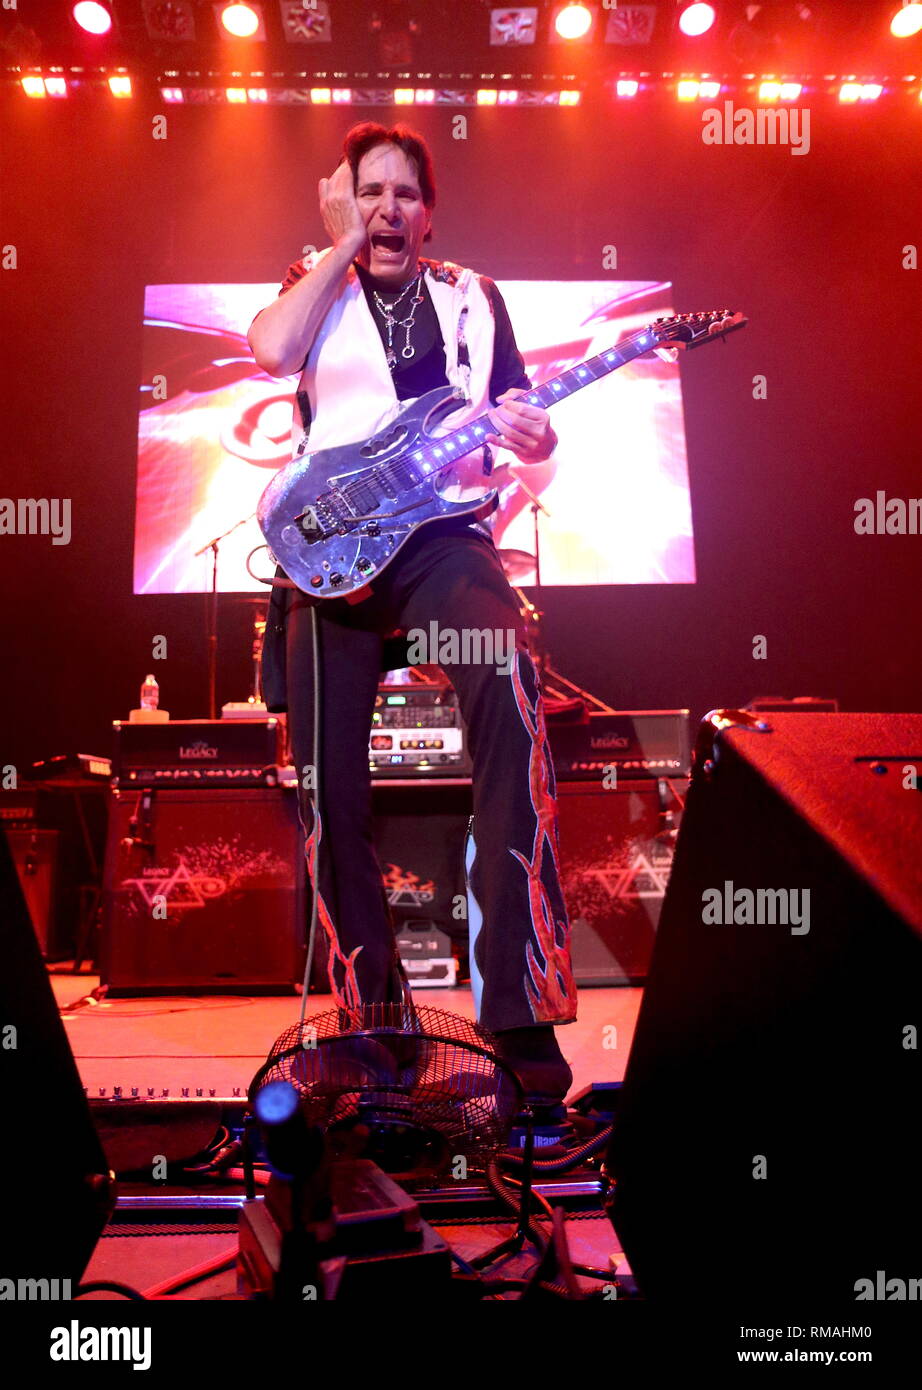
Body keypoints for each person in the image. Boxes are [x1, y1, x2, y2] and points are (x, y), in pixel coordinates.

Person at [248, 122, 577, 1105]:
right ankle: (376, 1022)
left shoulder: (474, 298)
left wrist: (535, 428)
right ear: (344, 203)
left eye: (404, 194)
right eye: (369, 193)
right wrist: (337, 243)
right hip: (332, 557)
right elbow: (268, 351)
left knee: (512, 688)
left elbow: (524, 422)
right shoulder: (316, 284)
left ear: (430, 211)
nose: (389, 210)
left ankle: (516, 1010)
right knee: (323, 782)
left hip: (442, 542)